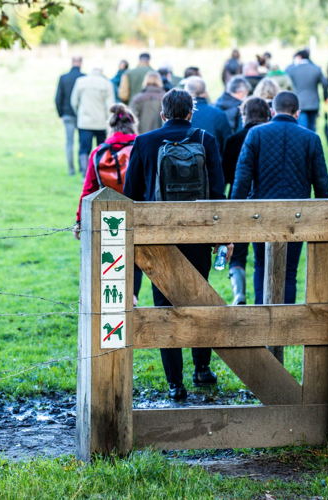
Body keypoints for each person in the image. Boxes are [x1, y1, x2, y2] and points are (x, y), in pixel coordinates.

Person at [123, 89, 229, 401]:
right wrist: (220, 235)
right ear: (191, 112)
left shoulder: (144, 142)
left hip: (159, 239)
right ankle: (202, 368)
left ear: (163, 112)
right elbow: (218, 190)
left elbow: (130, 193)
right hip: (197, 234)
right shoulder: (205, 140)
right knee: (200, 300)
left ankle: (175, 383)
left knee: (165, 308)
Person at [231, 91, 328, 305]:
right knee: (289, 271)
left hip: (260, 211)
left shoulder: (256, 134)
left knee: (261, 265)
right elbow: (321, 180)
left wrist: (235, 210)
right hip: (296, 214)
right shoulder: (311, 138)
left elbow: (242, 177)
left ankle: (261, 320)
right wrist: (323, 212)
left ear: (273, 111)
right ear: (297, 113)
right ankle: (285, 325)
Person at [74, 103, 142, 303]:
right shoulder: (142, 146)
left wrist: (79, 220)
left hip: (109, 213)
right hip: (140, 210)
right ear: (133, 125)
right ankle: (133, 295)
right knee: (138, 257)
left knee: (113, 255)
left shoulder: (99, 152)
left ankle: (116, 297)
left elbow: (89, 189)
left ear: (111, 127)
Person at [221, 97, 271, 305]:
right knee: (264, 256)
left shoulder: (234, 140)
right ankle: (264, 298)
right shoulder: (270, 138)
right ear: (268, 115)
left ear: (244, 116)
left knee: (238, 253)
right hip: (265, 198)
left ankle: (239, 292)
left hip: (238, 198)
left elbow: (224, 176)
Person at [70, 65, 114, 175]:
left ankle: (85, 173)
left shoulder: (80, 82)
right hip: (101, 123)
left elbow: (74, 102)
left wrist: (79, 114)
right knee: (101, 149)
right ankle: (100, 172)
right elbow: (110, 105)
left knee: (84, 149)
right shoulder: (107, 84)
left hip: (84, 122)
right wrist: (109, 121)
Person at [184, 76, 232, 155]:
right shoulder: (219, 114)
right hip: (212, 162)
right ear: (205, 93)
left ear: (186, 92)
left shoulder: (179, 113)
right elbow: (228, 144)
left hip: (184, 163)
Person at [54, 56, 85, 175]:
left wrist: (60, 113)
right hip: (81, 115)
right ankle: (83, 168)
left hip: (67, 114)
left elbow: (58, 97)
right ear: (81, 63)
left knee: (69, 143)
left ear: (72, 62)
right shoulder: (84, 78)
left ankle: (71, 169)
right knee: (82, 143)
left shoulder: (63, 78)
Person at [286, 49, 328, 132]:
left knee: (302, 129)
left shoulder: (291, 69)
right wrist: (325, 96)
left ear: (299, 57)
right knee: (312, 127)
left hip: (299, 103)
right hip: (314, 103)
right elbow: (325, 84)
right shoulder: (316, 68)